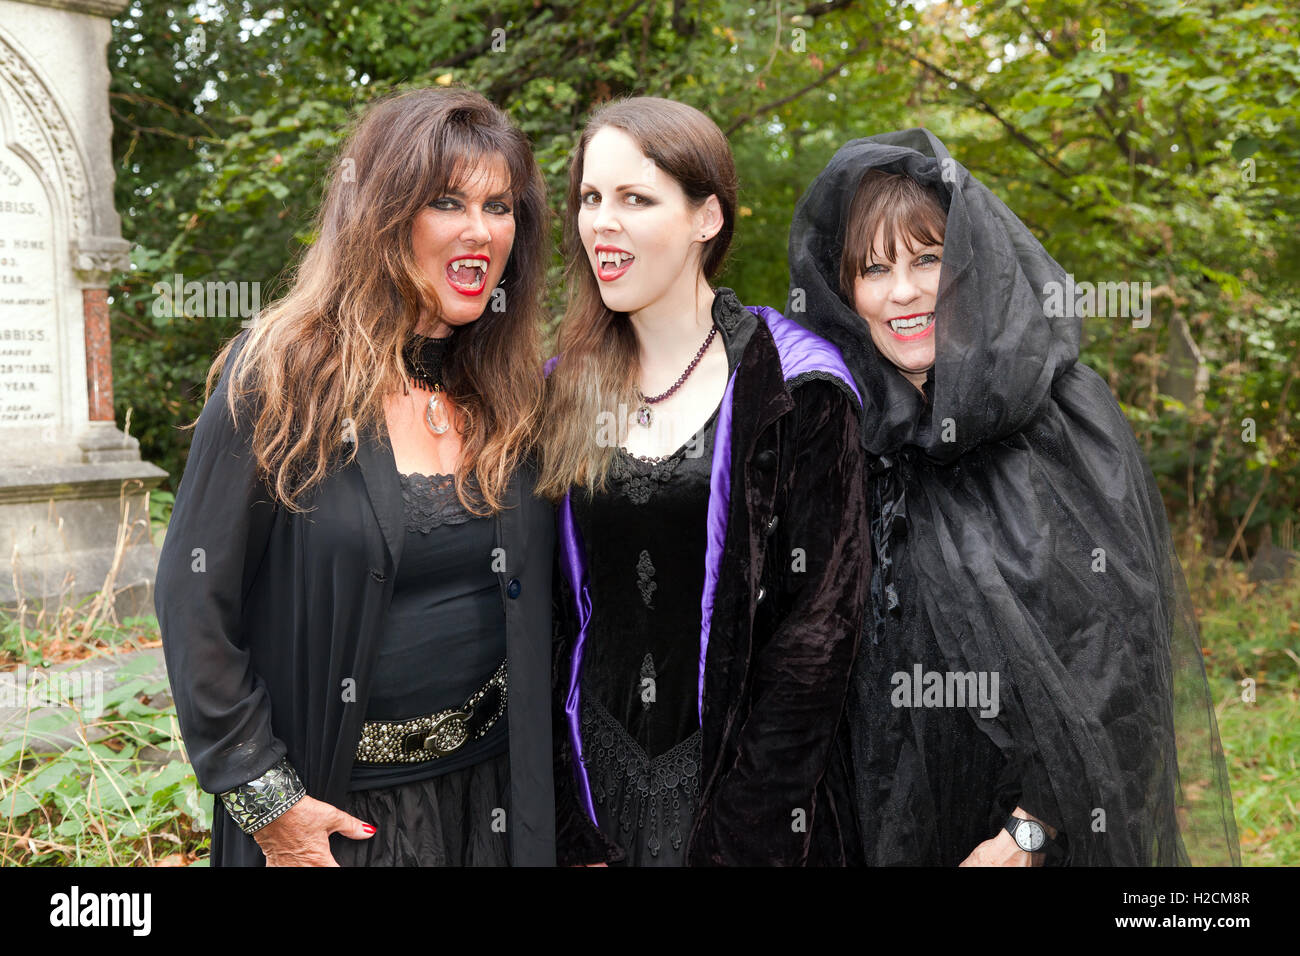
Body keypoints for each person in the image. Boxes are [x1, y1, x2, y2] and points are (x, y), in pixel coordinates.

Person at [785, 128, 1240, 866]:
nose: (902, 292)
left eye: (927, 259)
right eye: (874, 269)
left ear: (972, 266)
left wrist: (1028, 834)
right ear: (846, 295)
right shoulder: (845, 436)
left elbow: (1118, 665)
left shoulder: (1062, 420)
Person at [154, 87, 557, 866]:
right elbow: (193, 599)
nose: (481, 230)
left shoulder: (511, 392)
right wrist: (268, 803)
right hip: (335, 819)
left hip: (495, 804)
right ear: (382, 211)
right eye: (448, 202)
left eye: (500, 207)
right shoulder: (279, 377)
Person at [537, 96, 870, 866]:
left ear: (706, 218)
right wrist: (567, 828)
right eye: (590, 198)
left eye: (635, 198)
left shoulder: (798, 386)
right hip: (594, 797)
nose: (601, 223)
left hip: (751, 804)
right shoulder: (560, 393)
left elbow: (821, 632)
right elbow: (543, 617)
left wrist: (737, 840)